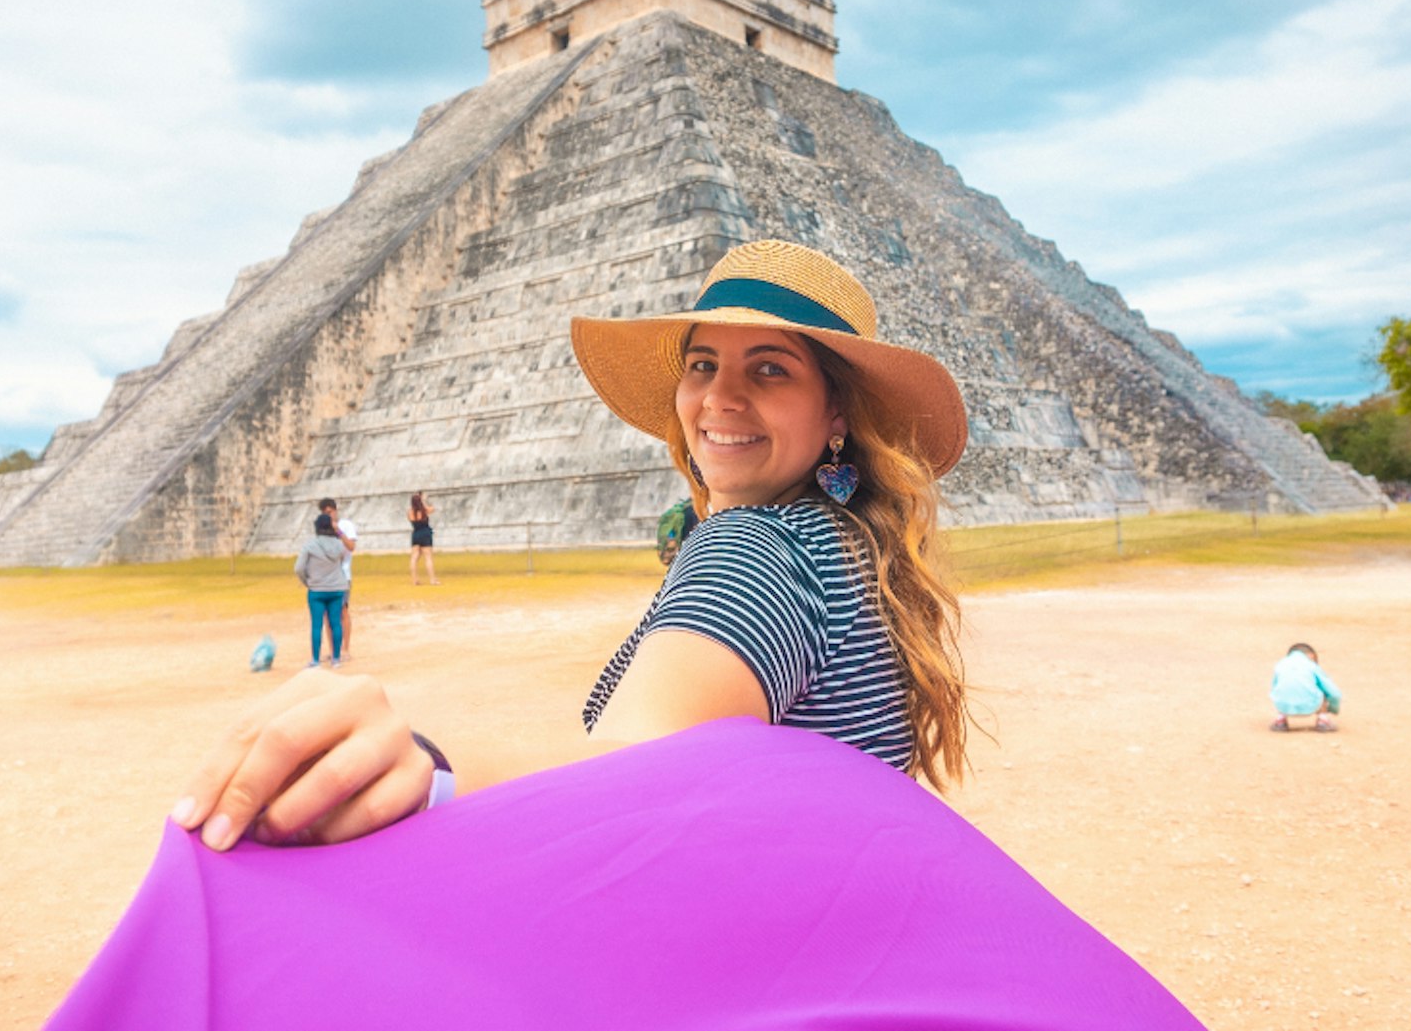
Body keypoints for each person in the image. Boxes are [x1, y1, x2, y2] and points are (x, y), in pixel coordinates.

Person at [171, 238, 972, 851]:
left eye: (770, 369)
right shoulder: (853, 550)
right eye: (702, 364)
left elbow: (627, 770)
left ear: (837, 414)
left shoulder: (758, 550)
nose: (719, 397)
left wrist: (426, 766)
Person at [294, 514, 349, 669]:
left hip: (317, 589)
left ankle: (315, 660)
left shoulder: (310, 545)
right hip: (337, 588)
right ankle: (336, 659)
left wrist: (307, 581)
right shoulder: (339, 545)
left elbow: (298, 568)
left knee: (317, 625)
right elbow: (342, 561)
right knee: (336, 623)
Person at [317, 498, 359, 659]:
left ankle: (345, 649)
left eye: (330, 512)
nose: (328, 516)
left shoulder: (346, 526)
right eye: (325, 514)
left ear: (335, 510)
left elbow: (351, 547)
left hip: (343, 575)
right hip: (326, 576)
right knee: (328, 614)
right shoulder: (322, 529)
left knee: (342, 611)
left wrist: (338, 532)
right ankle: (333, 650)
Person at [1269, 642, 1342, 732]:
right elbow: (1334, 693)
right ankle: (1323, 721)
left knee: (1284, 689)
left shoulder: (1280, 664)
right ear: (1311, 655)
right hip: (1312, 705)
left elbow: (1274, 688)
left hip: (1283, 706)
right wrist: (1333, 708)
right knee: (1323, 689)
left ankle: (1280, 720)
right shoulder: (1312, 666)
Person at [407, 492, 439, 586]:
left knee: (414, 558)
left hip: (416, 534)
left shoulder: (410, 512)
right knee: (428, 558)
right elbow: (432, 509)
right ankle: (432, 580)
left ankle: (414, 580)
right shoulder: (424, 510)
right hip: (425, 534)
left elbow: (412, 519)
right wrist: (424, 501)